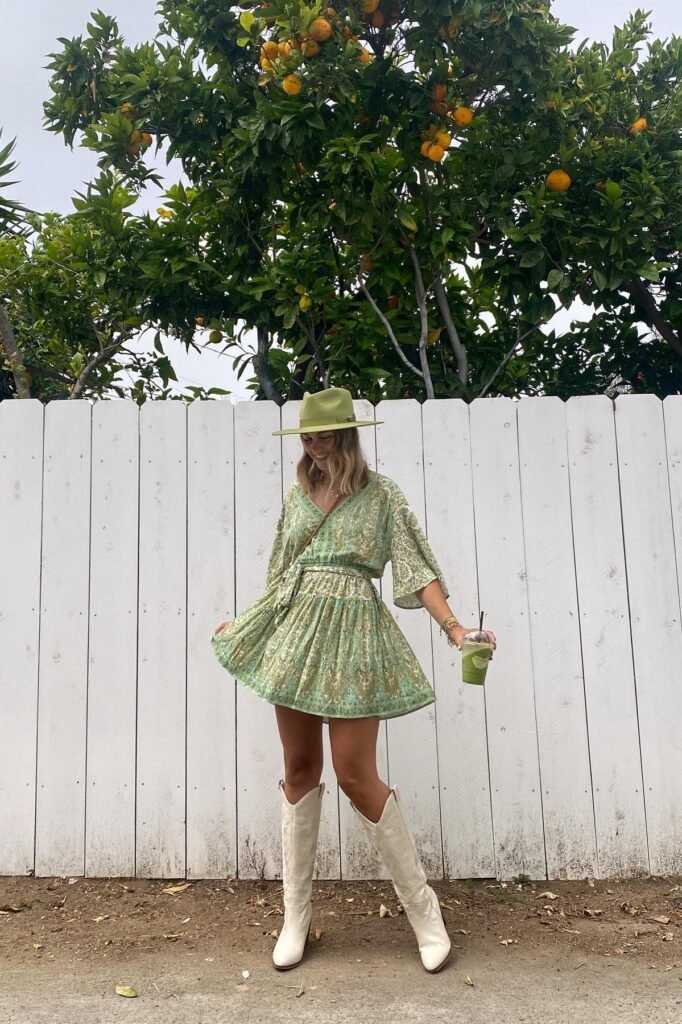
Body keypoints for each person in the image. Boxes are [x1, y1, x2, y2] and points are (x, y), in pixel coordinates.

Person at [211, 387, 496, 974]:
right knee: (298, 769)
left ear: (346, 435)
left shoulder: (382, 495)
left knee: (357, 775)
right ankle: (296, 918)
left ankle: (425, 914)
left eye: (321, 437)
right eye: (305, 438)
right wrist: (245, 622)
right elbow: (280, 571)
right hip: (295, 634)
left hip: (355, 633)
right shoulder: (297, 497)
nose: (312, 448)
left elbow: (418, 569)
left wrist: (454, 628)